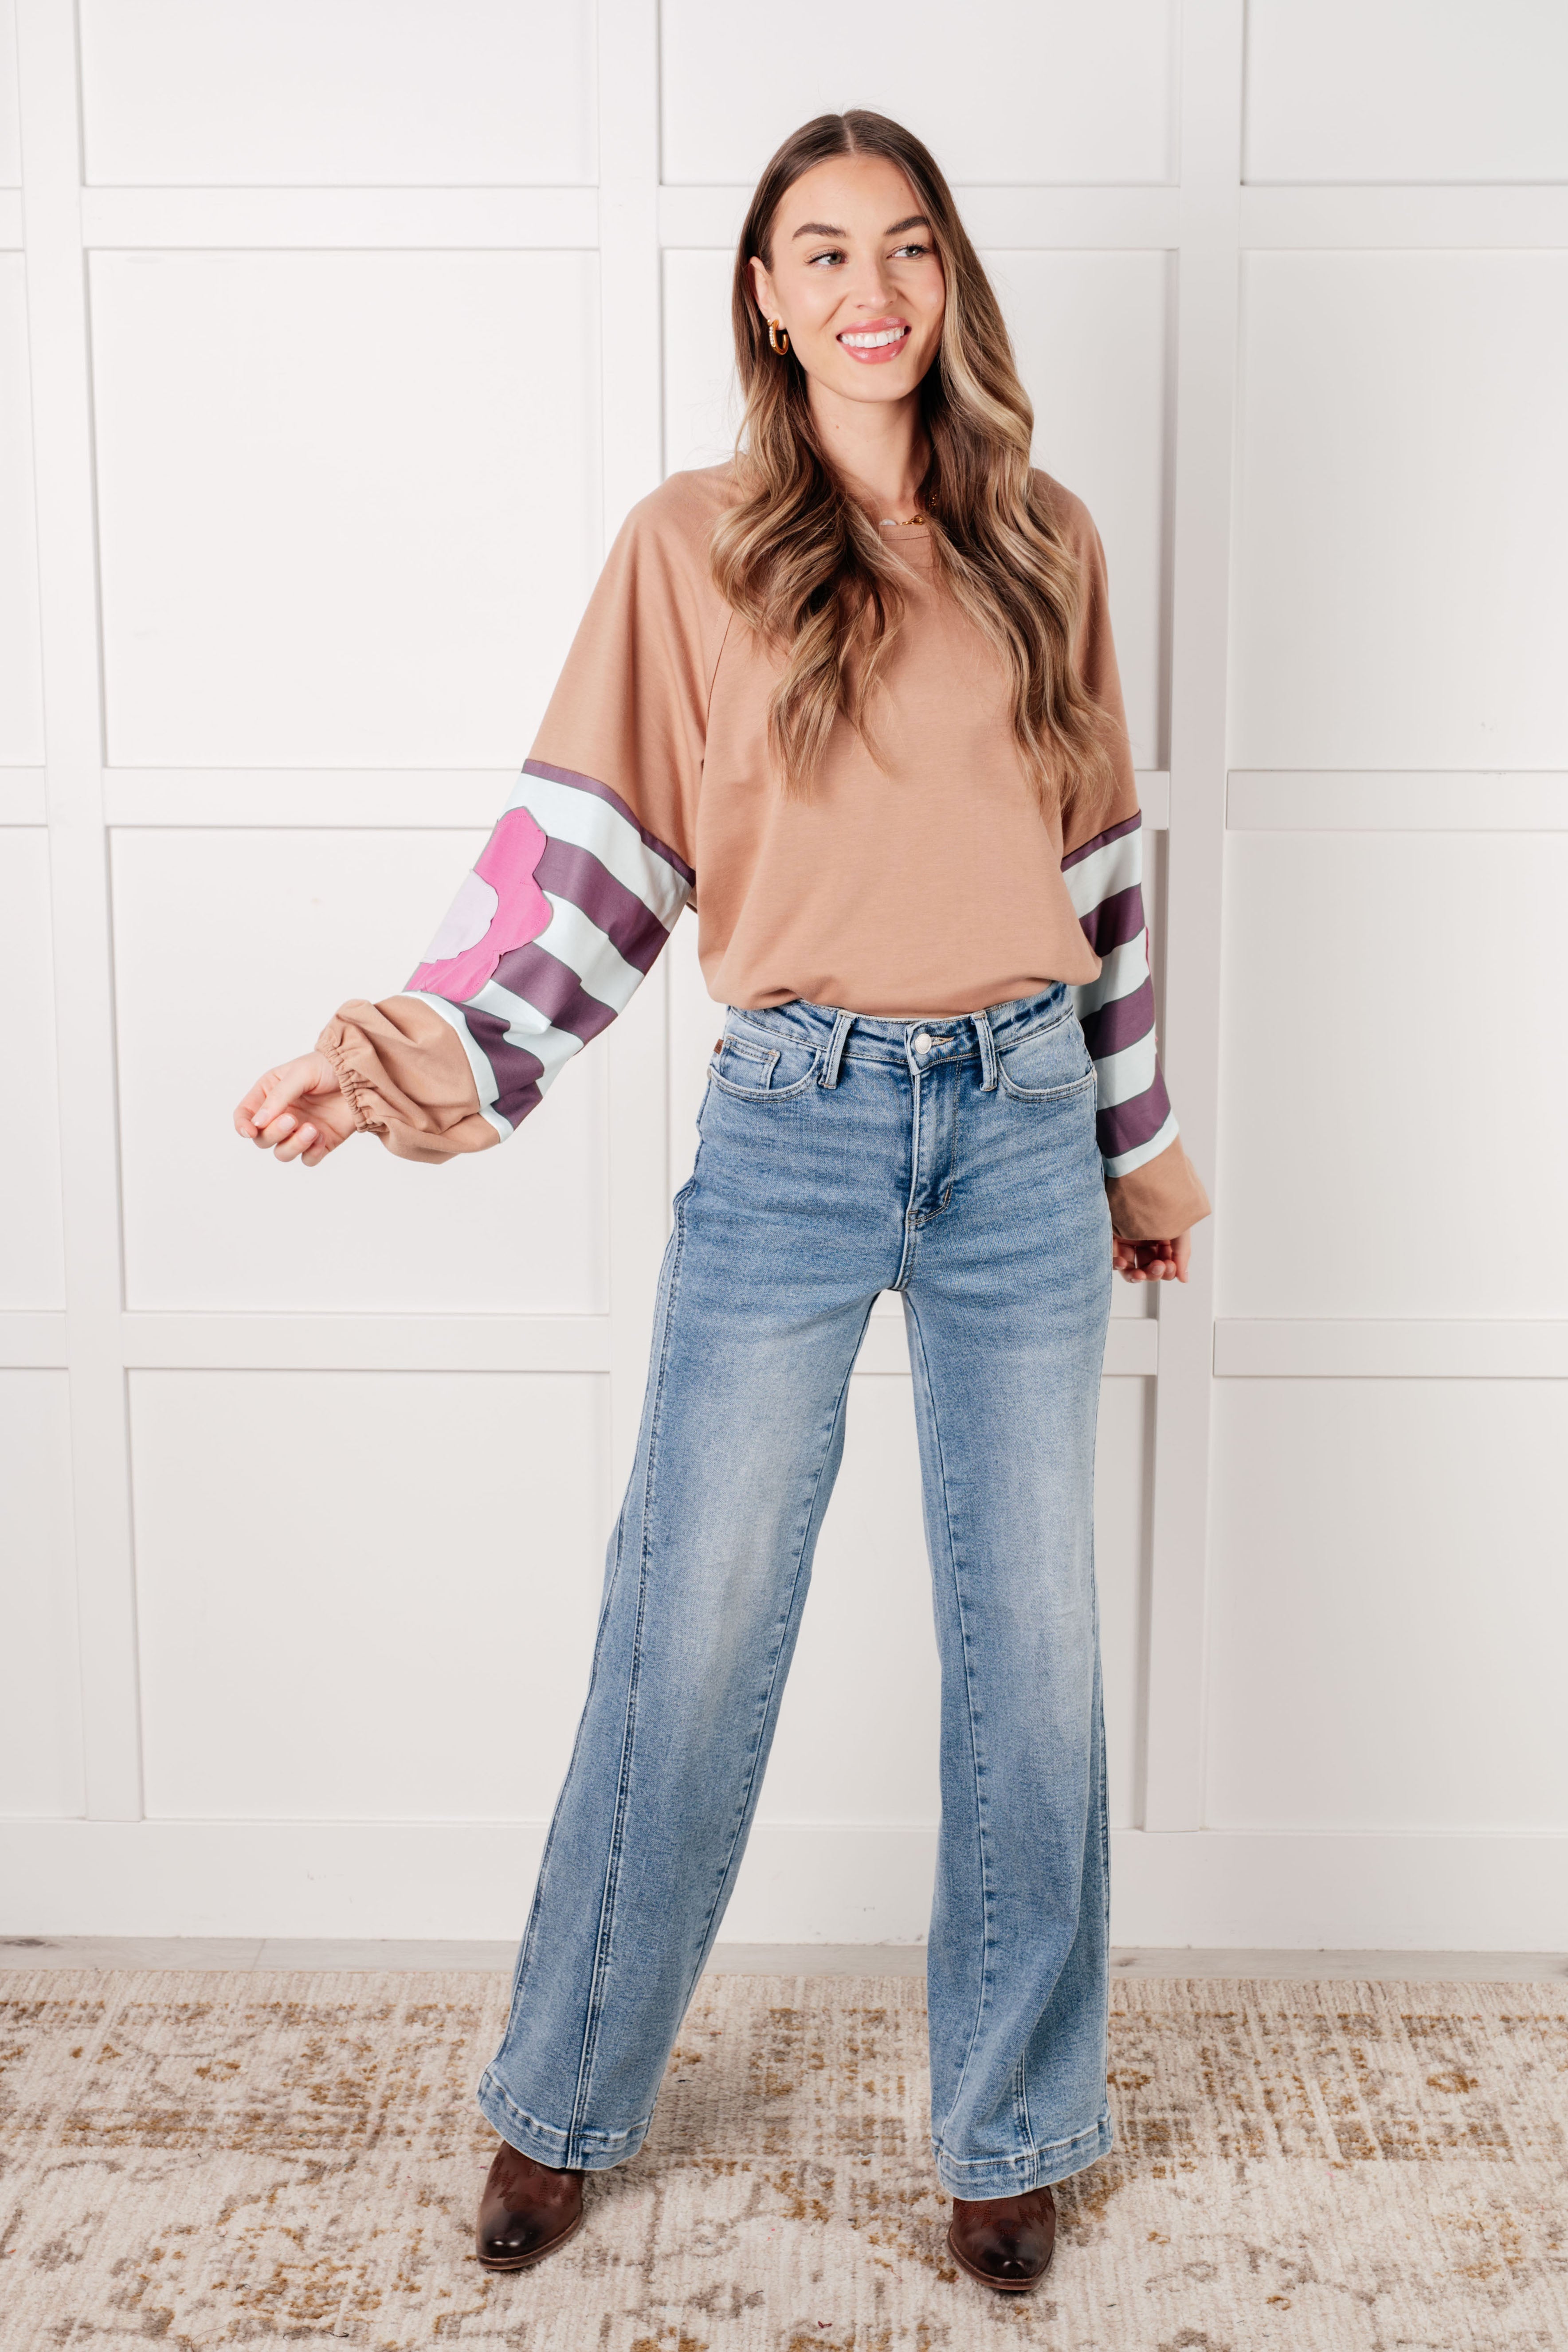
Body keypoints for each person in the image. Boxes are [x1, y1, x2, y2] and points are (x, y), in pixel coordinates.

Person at [234, 109, 1209, 2296]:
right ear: (764, 297)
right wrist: (397, 1048)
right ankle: (559, 2105)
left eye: (906, 247)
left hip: (1023, 1128)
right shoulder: (690, 547)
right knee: (686, 1629)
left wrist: (1137, 1146)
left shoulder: (1044, 538)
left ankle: (1011, 2131)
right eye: (819, 251)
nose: (869, 288)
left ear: (945, 282)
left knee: (1031, 1654)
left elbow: (1106, 878)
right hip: (794, 1116)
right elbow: (588, 868)